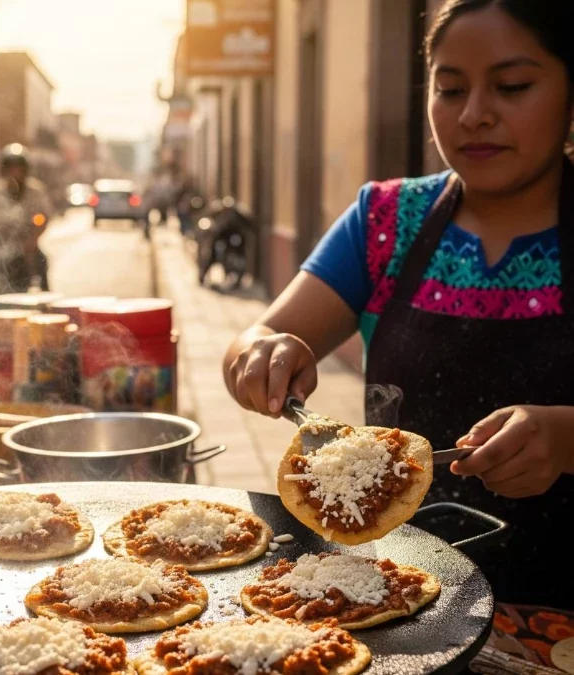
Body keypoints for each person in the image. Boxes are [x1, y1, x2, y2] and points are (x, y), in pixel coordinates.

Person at [223, 0, 573, 610]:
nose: (474, 114)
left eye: (512, 86)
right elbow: (258, 335)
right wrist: (262, 352)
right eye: (450, 88)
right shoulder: (385, 220)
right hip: (402, 606)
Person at [0, 143, 54, 291]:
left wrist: (32, 240)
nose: (15, 172)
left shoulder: (36, 191)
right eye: (11, 168)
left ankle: (46, 299)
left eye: (18, 168)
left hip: (26, 242)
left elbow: (44, 217)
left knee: (41, 262)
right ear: (4, 170)